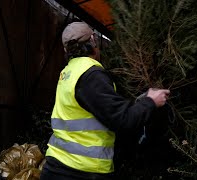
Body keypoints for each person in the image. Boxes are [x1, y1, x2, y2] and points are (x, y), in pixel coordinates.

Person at [40, 21, 170, 180]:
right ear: (93, 41)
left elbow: (95, 109)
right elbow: (123, 120)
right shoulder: (91, 75)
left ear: (66, 49)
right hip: (81, 171)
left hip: (57, 167)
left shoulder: (68, 72)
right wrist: (150, 101)